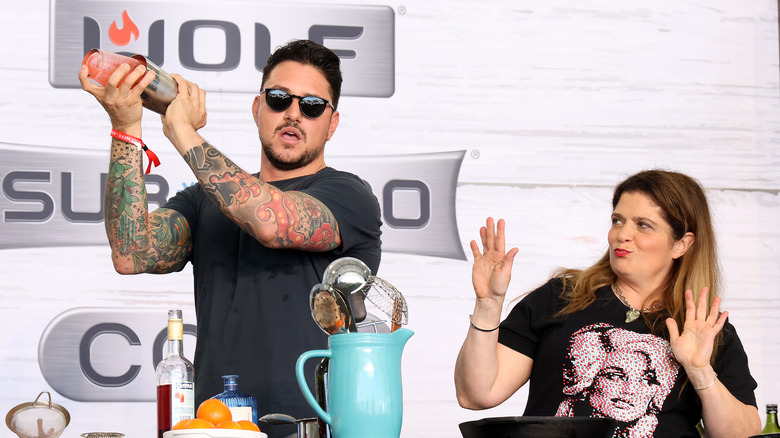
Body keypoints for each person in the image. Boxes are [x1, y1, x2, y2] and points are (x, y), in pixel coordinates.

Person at [79, 40, 382, 438]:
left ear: (333, 123)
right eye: (278, 99)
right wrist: (126, 128)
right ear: (257, 108)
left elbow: (270, 222)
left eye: (311, 106)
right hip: (211, 428)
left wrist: (182, 129)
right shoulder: (204, 198)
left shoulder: (349, 195)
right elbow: (131, 253)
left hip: (313, 427)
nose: (293, 113)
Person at [454, 170, 761, 437]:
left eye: (643, 225)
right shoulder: (561, 297)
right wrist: (488, 303)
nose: (622, 234)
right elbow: (475, 394)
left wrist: (699, 370)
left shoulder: (705, 328)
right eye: (618, 220)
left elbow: (744, 434)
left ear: (681, 244)